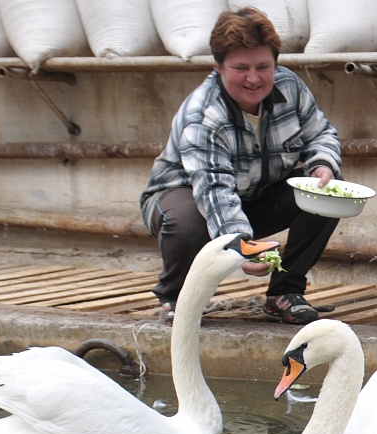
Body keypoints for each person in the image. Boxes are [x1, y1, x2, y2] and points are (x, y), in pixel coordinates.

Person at [140, 6, 342, 325]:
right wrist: (241, 247)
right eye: (241, 67)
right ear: (218, 66)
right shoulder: (203, 114)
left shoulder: (291, 87)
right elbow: (214, 192)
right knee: (189, 219)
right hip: (187, 201)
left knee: (329, 194)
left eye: (263, 66)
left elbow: (321, 134)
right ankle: (175, 295)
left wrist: (322, 165)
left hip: (254, 197)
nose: (253, 78)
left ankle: (284, 292)